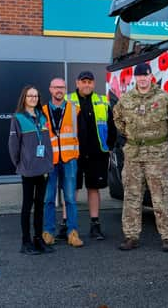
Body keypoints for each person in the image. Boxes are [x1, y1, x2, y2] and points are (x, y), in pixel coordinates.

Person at [113, 63, 168, 251]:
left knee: (160, 196)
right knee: (132, 197)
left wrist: (160, 138)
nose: (142, 79)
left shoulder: (164, 99)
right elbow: (118, 119)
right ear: (135, 78)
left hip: (157, 155)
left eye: (145, 75)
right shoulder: (126, 99)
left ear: (151, 76)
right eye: (139, 76)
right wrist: (132, 135)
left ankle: (167, 236)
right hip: (133, 155)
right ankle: (131, 236)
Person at [70, 70, 117, 240]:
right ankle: (68, 227)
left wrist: (110, 146)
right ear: (77, 83)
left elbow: (112, 126)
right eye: (84, 81)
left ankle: (95, 226)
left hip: (97, 154)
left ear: (94, 84)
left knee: (94, 189)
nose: (87, 84)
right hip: (73, 154)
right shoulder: (69, 101)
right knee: (71, 190)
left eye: (90, 81)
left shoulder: (102, 102)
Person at [9, 85, 54, 255]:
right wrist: (20, 164)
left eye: (35, 96)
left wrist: (49, 162)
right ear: (24, 98)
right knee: (27, 206)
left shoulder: (42, 117)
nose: (33, 99)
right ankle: (25, 242)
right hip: (28, 170)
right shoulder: (18, 118)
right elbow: (13, 146)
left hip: (43, 169)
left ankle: (38, 239)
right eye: (30, 96)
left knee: (40, 205)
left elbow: (47, 143)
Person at [41, 78, 84, 248]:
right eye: (56, 87)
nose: (59, 90)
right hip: (49, 161)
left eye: (62, 87)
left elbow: (82, 135)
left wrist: (78, 154)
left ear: (65, 89)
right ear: (50, 89)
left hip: (69, 159)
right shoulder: (42, 111)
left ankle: (72, 233)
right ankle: (48, 232)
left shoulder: (75, 110)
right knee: (48, 198)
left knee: (70, 199)